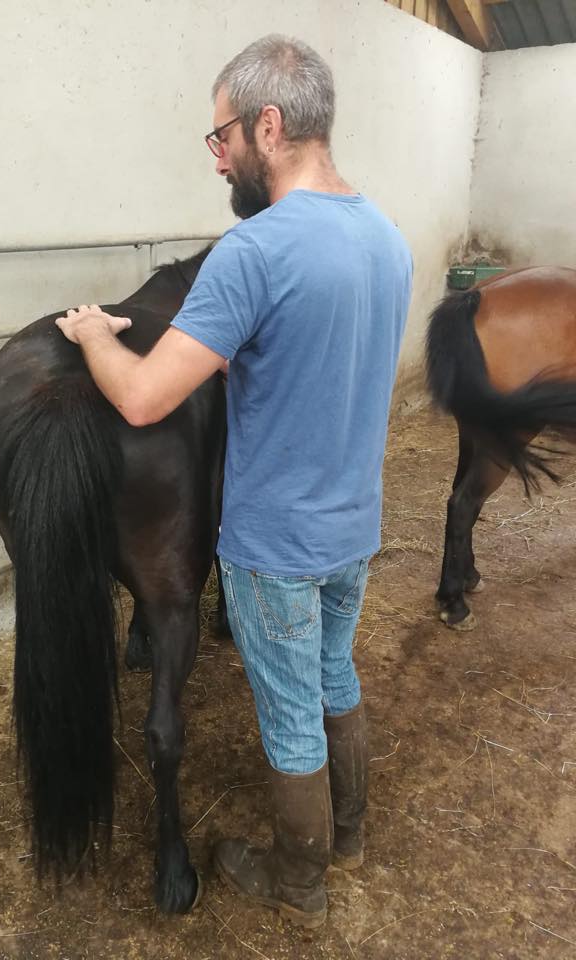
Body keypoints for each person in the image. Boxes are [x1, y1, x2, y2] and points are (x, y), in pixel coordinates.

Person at [55, 34, 412, 928]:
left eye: (221, 138)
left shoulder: (252, 252)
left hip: (277, 545)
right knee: (335, 674)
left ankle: (297, 881)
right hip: (353, 528)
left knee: (290, 710)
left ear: (269, 124)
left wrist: (97, 335)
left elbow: (141, 400)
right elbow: (316, 355)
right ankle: (352, 834)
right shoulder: (387, 236)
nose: (217, 159)